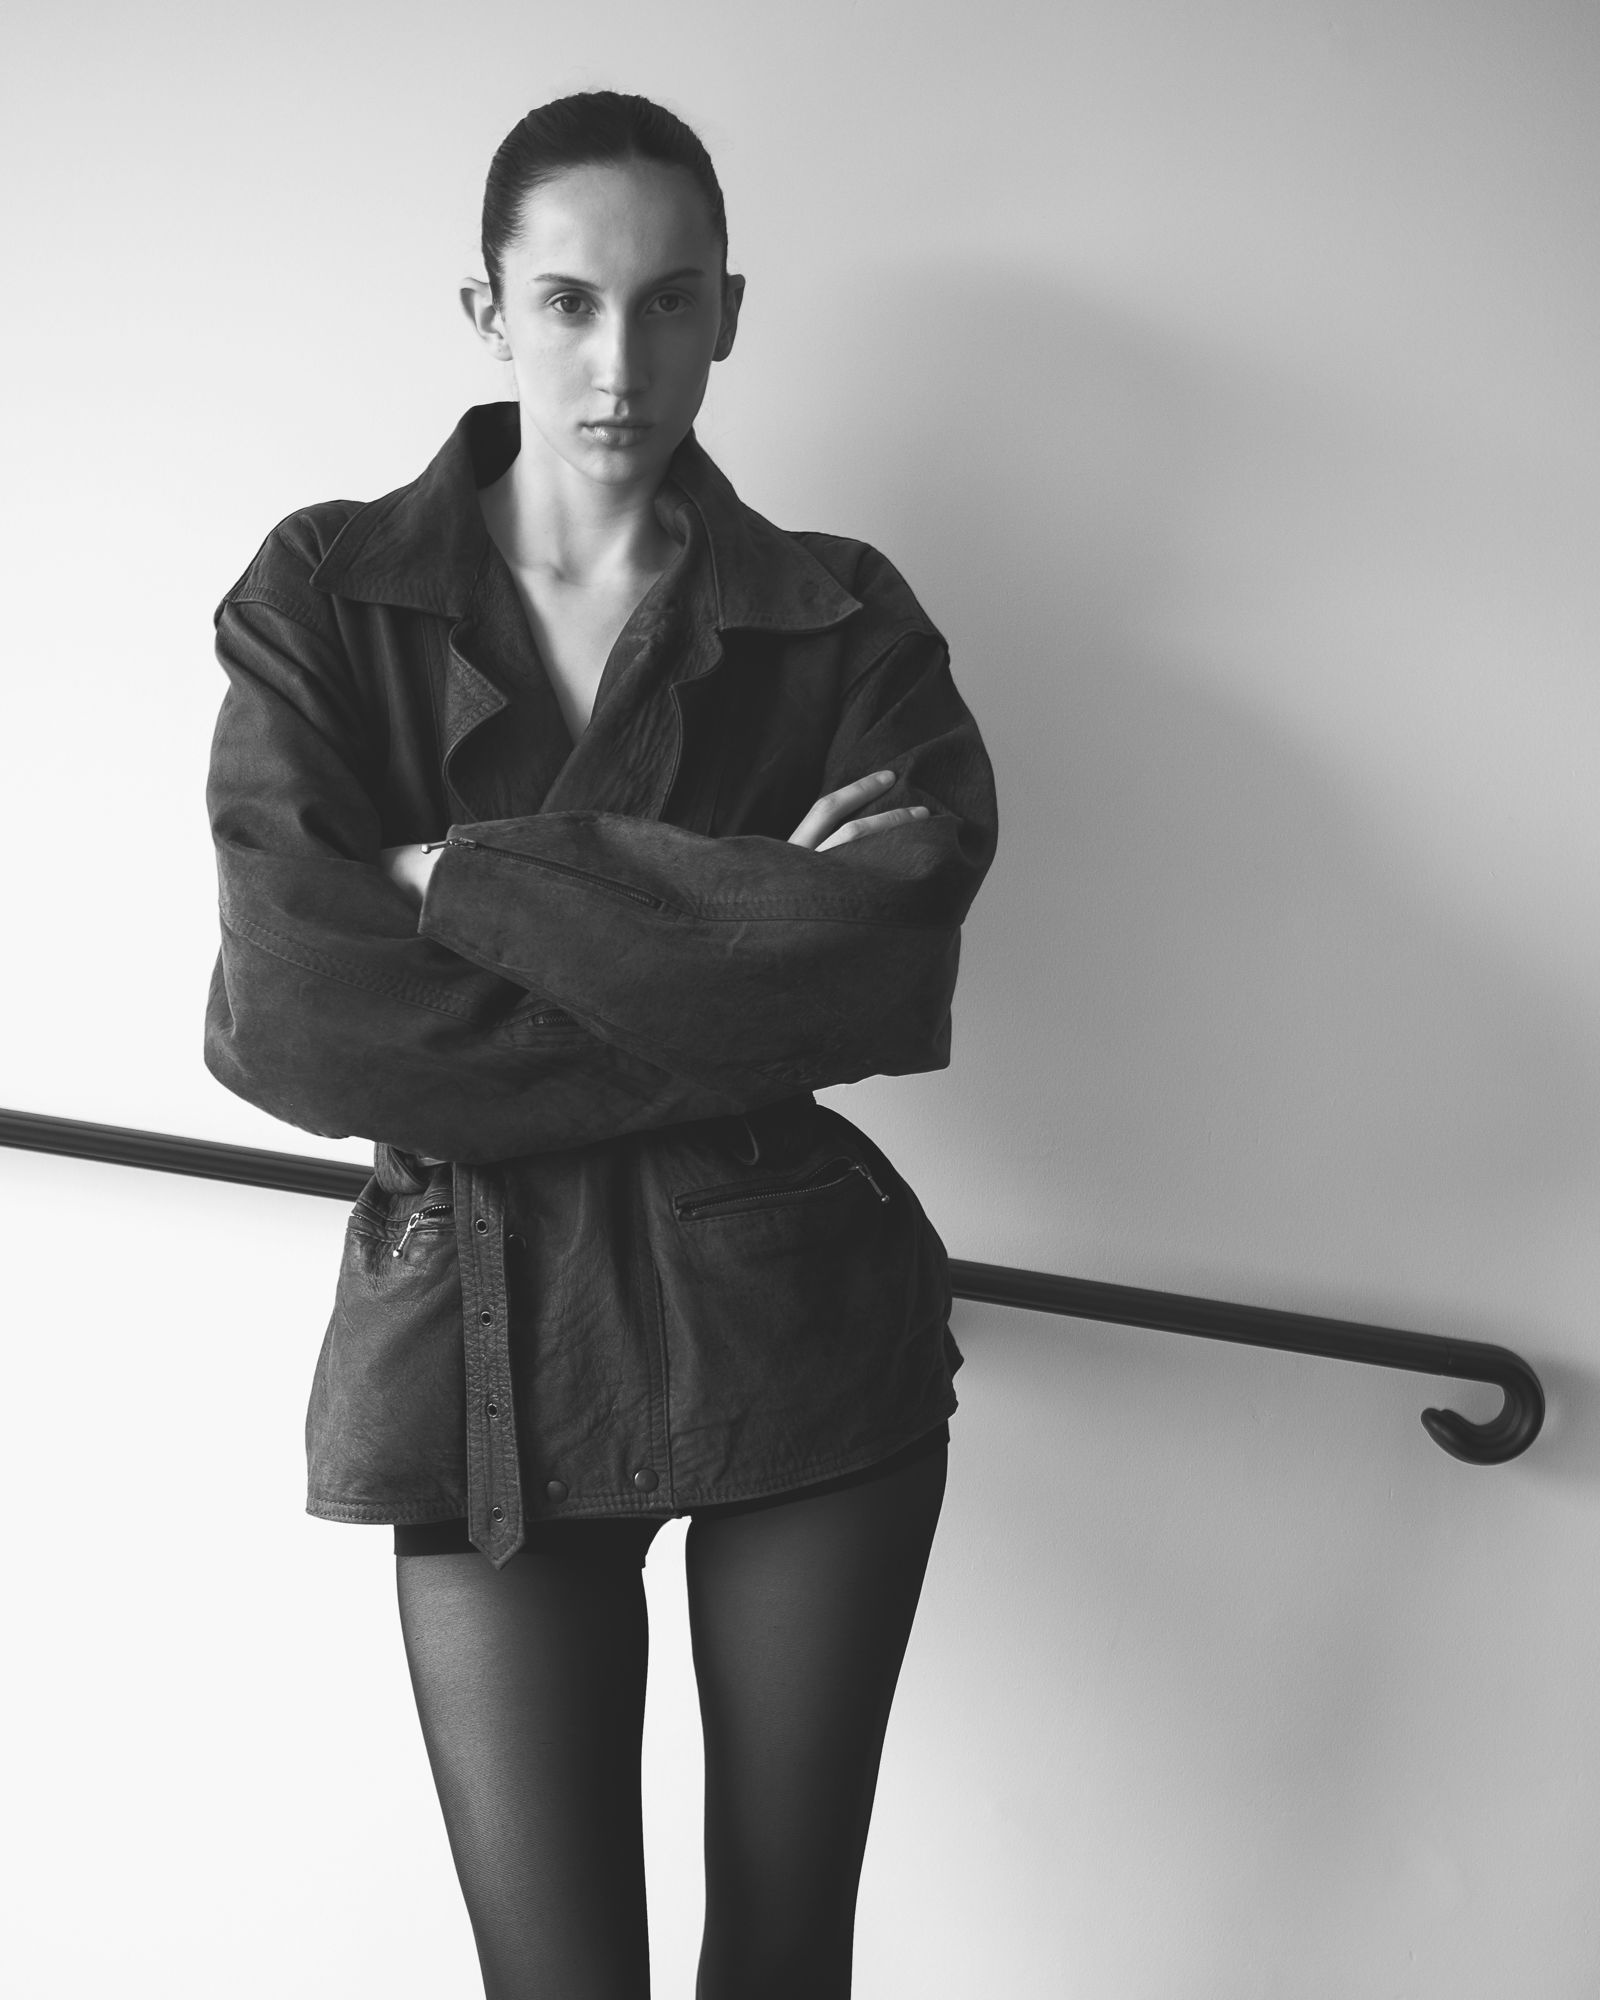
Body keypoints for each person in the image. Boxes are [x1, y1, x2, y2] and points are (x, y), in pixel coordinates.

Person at [204, 89, 998, 2000]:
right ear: (488, 311)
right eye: (567, 302)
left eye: (667, 302)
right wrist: (724, 939)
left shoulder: (839, 614)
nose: (619, 360)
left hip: (799, 1326)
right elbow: (297, 1011)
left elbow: (878, 964)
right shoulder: (328, 587)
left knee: (784, 1965)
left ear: (730, 311)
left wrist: (452, 877)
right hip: (469, 1349)